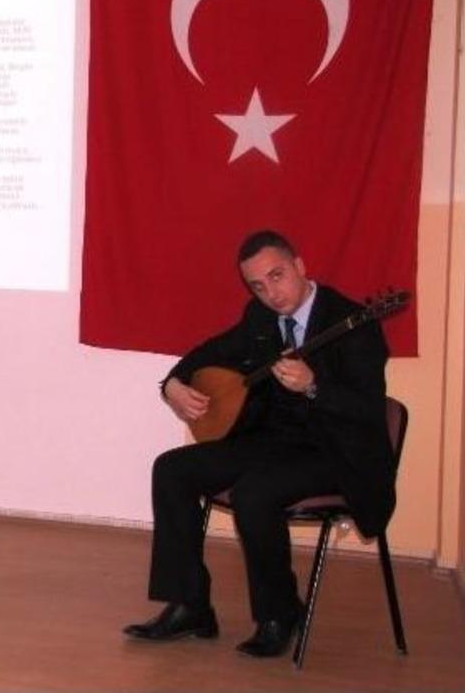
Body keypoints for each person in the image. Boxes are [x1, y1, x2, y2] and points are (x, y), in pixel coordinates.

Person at [122, 230, 394, 657]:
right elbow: (210, 350)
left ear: (300, 266)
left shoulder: (354, 322)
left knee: (255, 492)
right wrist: (172, 383)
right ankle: (190, 606)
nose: (272, 293)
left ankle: (279, 614)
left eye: (278, 276)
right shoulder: (261, 317)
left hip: (334, 451)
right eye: (258, 286)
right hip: (273, 441)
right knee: (172, 468)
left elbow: (368, 411)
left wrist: (315, 386)